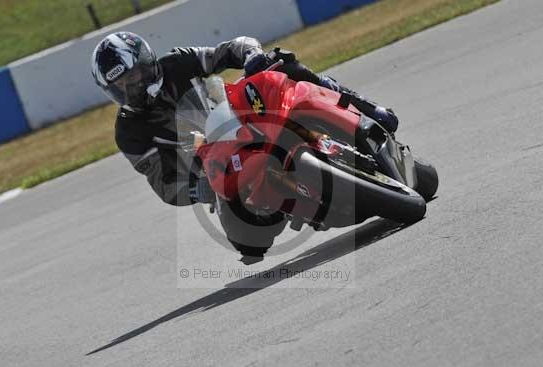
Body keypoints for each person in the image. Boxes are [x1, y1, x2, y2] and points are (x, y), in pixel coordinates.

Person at [91, 32, 398, 259]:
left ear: (147, 63)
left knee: (285, 64)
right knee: (248, 243)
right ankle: (294, 200)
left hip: (238, 112)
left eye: (135, 76)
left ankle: (366, 108)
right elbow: (163, 184)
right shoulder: (128, 132)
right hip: (214, 165)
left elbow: (230, 50)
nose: (133, 88)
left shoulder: (178, 61)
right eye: (122, 87)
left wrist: (252, 55)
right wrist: (198, 189)